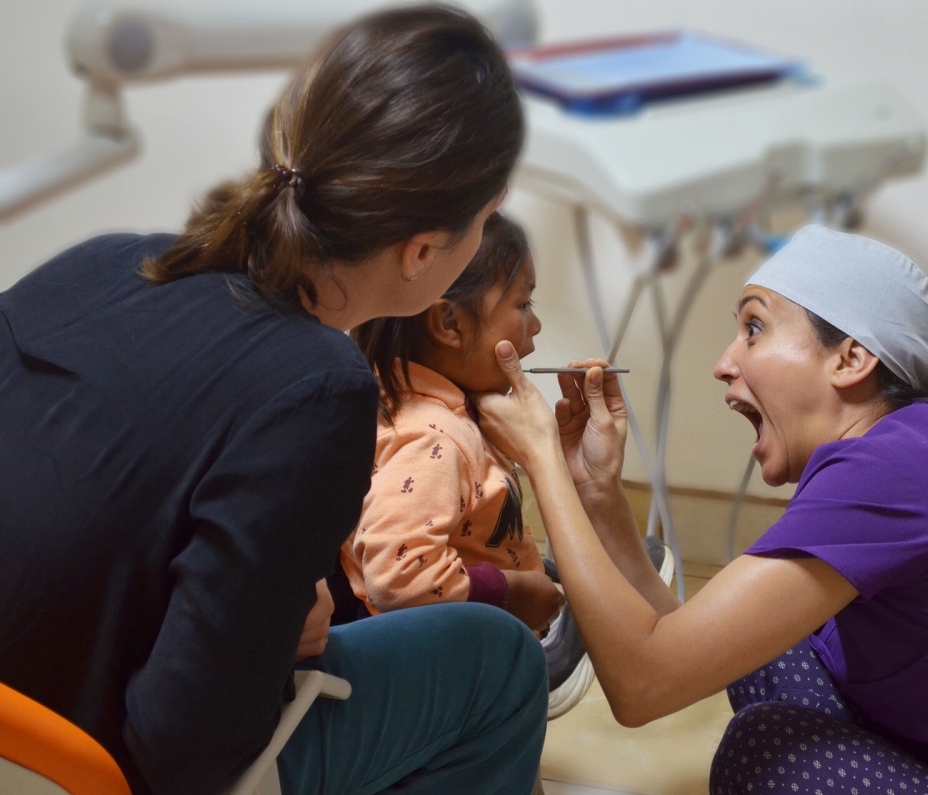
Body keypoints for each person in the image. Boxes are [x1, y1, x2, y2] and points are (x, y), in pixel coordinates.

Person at [0, 7, 546, 795]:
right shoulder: (318, 387)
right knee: (498, 662)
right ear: (424, 249)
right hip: (79, 759)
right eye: (484, 219)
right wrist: (271, 642)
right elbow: (186, 750)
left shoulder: (109, 262)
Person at [472, 224, 928, 794]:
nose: (726, 361)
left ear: (852, 359)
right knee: (770, 657)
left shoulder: (890, 474)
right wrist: (597, 493)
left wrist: (541, 462)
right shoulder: (909, 455)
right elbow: (685, 648)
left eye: (754, 327)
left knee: (767, 754)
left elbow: (642, 684)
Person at [340, 213, 560, 632]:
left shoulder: (394, 402)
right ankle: (548, 654)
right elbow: (400, 579)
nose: (535, 325)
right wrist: (516, 594)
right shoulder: (433, 440)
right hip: (471, 657)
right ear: (449, 324)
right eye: (523, 304)